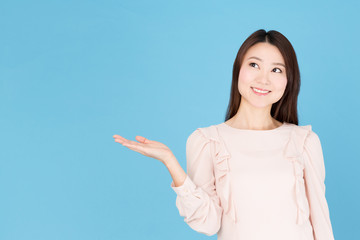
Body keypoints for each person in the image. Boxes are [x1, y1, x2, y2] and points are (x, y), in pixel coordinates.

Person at [113, 29, 335, 240]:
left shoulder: (303, 141)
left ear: (288, 81)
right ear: (238, 69)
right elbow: (208, 223)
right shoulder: (208, 141)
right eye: (254, 65)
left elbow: (321, 223)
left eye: (276, 69)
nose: (263, 79)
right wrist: (171, 162)